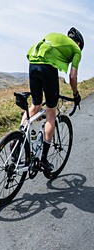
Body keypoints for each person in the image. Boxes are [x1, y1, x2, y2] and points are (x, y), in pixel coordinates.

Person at [25, 27, 83, 176]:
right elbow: (72, 77)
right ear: (78, 42)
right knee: (51, 112)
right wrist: (75, 94)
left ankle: (19, 139)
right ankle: (43, 160)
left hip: (33, 63)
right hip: (47, 68)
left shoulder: (54, 36)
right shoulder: (76, 50)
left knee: (35, 105)